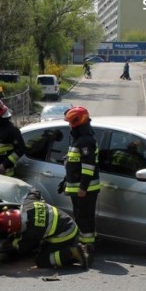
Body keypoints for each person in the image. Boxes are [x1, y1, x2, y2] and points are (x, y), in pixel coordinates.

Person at [0, 189, 91, 270]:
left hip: (65, 234)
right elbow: (34, 191)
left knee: (42, 261)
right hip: (67, 221)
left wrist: (8, 246)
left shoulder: (31, 232)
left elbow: (21, 248)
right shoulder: (28, 203)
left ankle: (73, 253)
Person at [58, 106, 100, 256]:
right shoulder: (79, 139)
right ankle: (85, 244)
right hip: (78, 187)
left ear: (77, 122)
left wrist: (83, 187)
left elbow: (88, 167)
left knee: (85, 218)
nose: (69, 125)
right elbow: (73, 163)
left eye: (71, 122)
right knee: (81, 217)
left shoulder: (85, 141)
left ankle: (87, 247)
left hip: (84, 190)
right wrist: (66, 181)